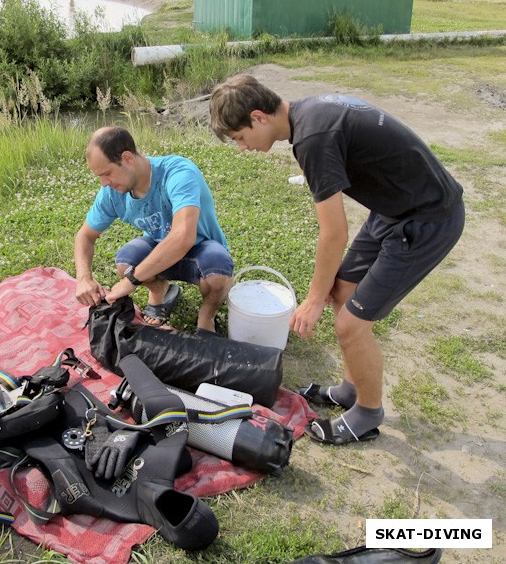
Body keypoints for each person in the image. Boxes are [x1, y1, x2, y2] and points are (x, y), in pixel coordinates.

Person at [209, 75, 465, 446]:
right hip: (394, 208)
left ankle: (368, 412)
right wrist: (323, 290)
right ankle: (350, 389)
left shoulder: (313, 139)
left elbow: (334, 233)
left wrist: (312, 300)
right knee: (342, 288)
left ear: (259, 116)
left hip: (428, 218)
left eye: (240, 138)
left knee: (350, 326)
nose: (242, 148)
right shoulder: (308, 113)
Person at [74, 126, 234, 334]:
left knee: (217, 271)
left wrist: (132, 280)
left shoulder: (178, 172)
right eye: (99, 177)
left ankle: (207, 315)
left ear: (127, 157)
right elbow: (85, 236)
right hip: (161, 250)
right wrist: (83, 277)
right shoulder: (111, 193)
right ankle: (160, 293)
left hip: (202, 248)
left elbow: (183, 237)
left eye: (107, 174)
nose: (104, 183)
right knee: (126, 262)